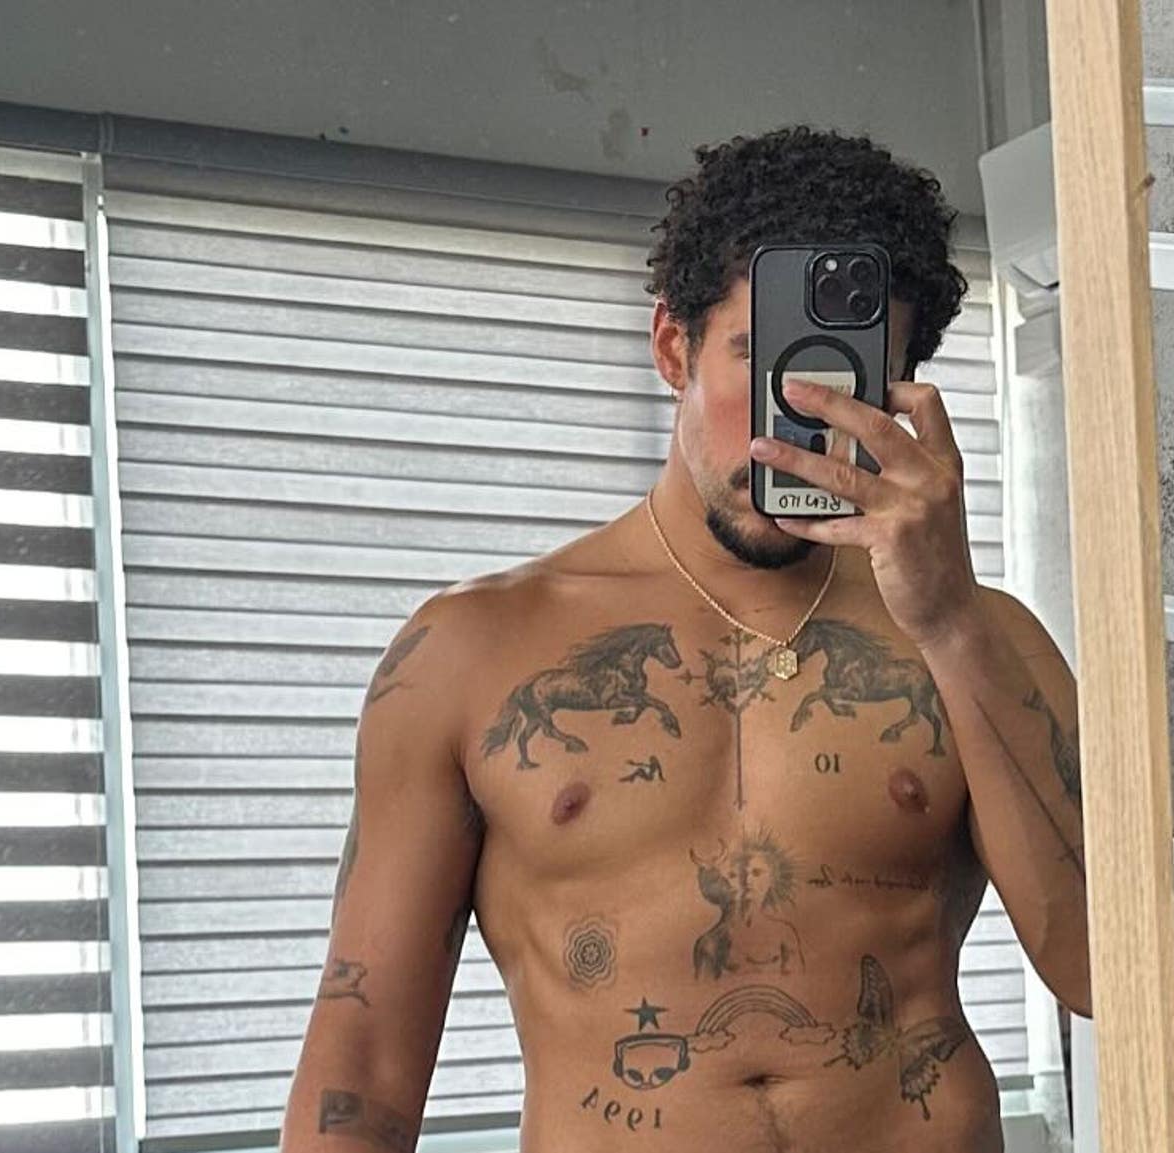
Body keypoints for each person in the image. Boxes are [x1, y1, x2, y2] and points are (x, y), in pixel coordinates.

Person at [282, 125, 1091, 1153]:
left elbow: (1107, 971)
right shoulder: (471, 652)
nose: (794, 418)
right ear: (673, 347)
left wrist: (948, 621)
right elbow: (362, 1069)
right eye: (759, 358)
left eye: (843, 377)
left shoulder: (979, 639)